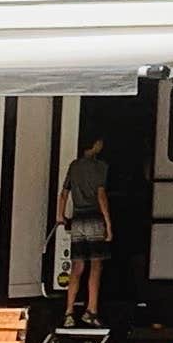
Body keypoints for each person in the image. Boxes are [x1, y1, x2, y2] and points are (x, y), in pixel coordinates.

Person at [58, 134, 114, 324]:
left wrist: (61, 215)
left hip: (77, 220)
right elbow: (101, 195)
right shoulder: (100, 167)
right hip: (94, 219)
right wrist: (108, 223)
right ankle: (91, 310)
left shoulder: (74, 166)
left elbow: (64, 193)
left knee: (77, 267)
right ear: (96, 144)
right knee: (96, 266)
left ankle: (68, 312)